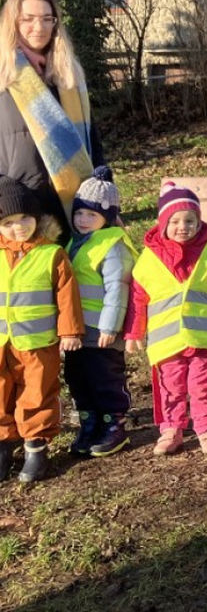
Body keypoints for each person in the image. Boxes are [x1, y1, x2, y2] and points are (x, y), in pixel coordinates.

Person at [124, 181, 207, 455]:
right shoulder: (148, 260)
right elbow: (138, 299)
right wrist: (133, 333)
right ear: (163, 223)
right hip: (166, 342)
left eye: (190, 220)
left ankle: (206, 428)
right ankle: (171, 429)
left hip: (204, 338)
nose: (183, 226)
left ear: (199, 222)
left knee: (201, 386)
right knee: (171, 387)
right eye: (175, 220)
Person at [0, 0, 104, 240]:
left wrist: (103, 185)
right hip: (17, 209)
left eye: (48, 19)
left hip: (72, 203)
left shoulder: (68, 75)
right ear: (12, 22)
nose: (40, 27)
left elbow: (91, 138)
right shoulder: (4, 75)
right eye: (29, 19)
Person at [0, 176, 83, 483]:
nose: (18, 227)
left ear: (36, 218)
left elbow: (67, 296)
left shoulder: (51, 254)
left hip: (37, 342)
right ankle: (4, 444)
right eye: (8, 222)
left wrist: (70, 332)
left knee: (37, 391)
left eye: (24, 218)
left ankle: (35, 446)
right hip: (2, 342)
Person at [63, 166, 137, 457]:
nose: (82, 220)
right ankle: (88, 422)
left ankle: (113, 424)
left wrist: (110, 327)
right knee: (78, 377)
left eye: (91, 215)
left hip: (102, 329)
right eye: (79, 213)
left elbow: (117, 288)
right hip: (77, 328)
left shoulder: (113, 245)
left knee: (105, 377)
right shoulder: (75, 241)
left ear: (106, 217)